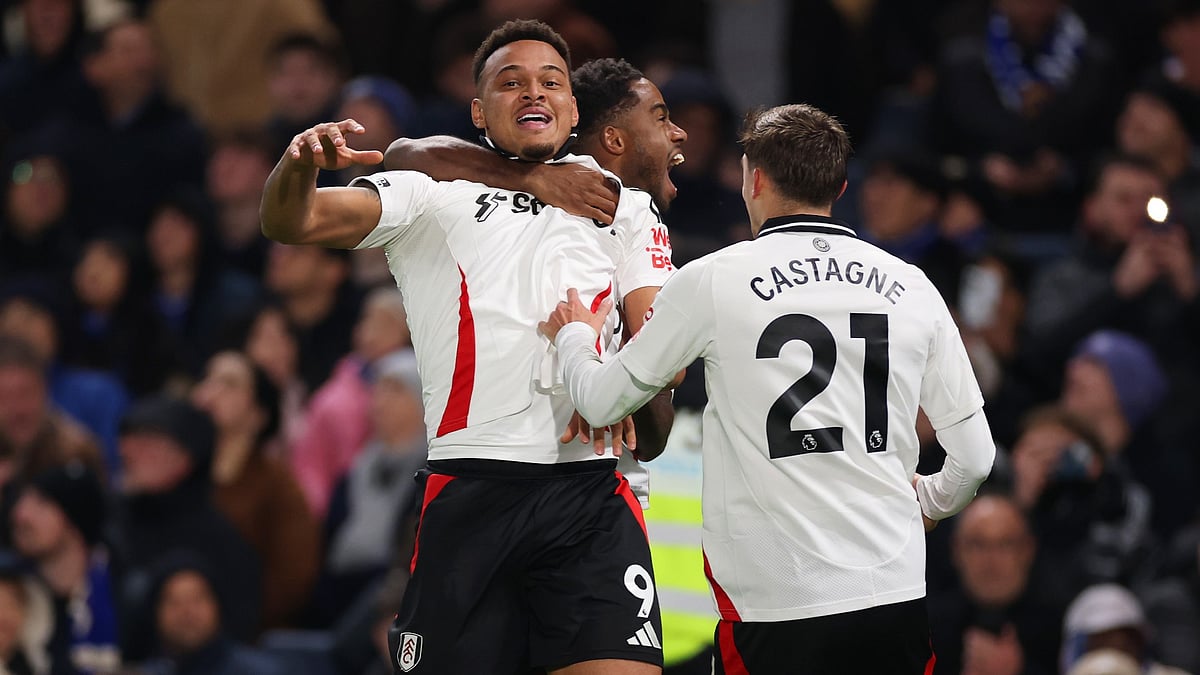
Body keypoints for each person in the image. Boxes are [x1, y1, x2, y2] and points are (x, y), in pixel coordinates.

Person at [260, 20, 675, 674]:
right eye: (511, 82)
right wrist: (297, 164)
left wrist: (623, 383)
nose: (533, 92)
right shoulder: (429, 193)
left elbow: (659, 350)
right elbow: (293, 219)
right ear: (479, 112)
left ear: (572, 110)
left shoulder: (623, 205)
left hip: (590, 496)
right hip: (472, 492)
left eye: (551, 82)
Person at [539, 103, 996, 674]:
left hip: (775, 608)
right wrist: (927, 503)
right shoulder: (912, 286)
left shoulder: (711, 280)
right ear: (841, 187)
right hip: (894, 598)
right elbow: (975, 458)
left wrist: (575, 338)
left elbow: (602, 400)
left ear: (754, 180)